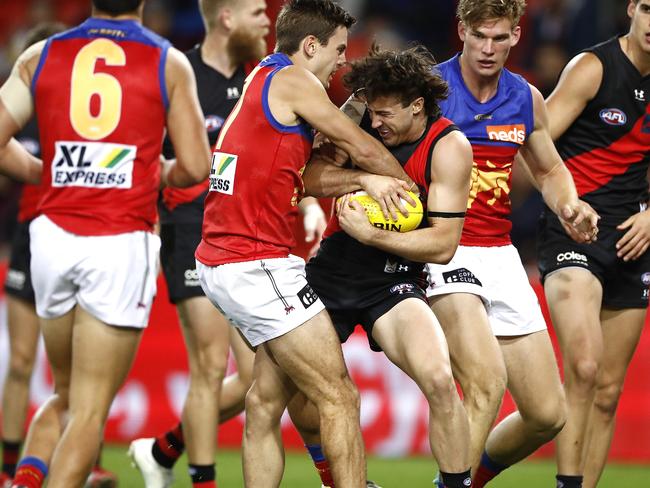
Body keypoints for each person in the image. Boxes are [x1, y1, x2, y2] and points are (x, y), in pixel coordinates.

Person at [194, 0, 420, 486]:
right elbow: (358, 145)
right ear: (311, 46)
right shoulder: (298, 81)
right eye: (338, 49)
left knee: (262, 402)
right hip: (255, 261)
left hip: (223, 259)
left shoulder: (266, 77)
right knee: (340, 396)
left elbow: (311, 175)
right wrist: (404, 185)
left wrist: (362, 176)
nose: (343, 58)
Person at [0, 0, 211, 486]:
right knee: (90, 410)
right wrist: (153, 172)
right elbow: (197, 167)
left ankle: (26, 478)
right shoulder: (168, 61)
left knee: (64, 394)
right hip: (117, 239)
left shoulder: (41, 54)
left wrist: (41, 170)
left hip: (50, 238)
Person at [422, 1, 599, 486]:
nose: (488, 48)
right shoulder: (430, 90)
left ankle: (457, 481)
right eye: (479, 35)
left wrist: (568, 204)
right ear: (461, 30)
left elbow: (548, 168)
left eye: (500, 38)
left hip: (500, 255)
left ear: (517, 36)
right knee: (485, 381)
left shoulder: (525, 97)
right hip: (444, 248)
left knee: (546, 413)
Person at [288, 44, 475, 488]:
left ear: (417, 107)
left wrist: (372, 235)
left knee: (439, 379)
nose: (375, 123)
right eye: (372, 111)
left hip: (393, 278)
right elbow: (307, 178)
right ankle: (340, 481)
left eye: (386, 114)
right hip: (332, 271)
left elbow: (444, 245)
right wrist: (365, 177)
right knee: (289, 395)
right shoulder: (356, 122)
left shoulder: (449, 147)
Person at [127, 2, 270, 487]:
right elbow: (147, 153)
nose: (266, 20)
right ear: (226, 17)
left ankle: (162, 450)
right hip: (187, 227)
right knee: (210, 363)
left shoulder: (256, 82)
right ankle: (201, 479)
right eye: (256, 11)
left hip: (241, 236)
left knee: (257, 377)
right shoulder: (178, 73)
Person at [0, 22, 119, 488]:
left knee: (83, 369)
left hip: (73, 237)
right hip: (32, 241)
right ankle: (11, 467)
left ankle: (86, 463)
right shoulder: (19, 116)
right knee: (23, 362)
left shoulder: (85, 113)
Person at [537, 1, 650, 486]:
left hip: (634, 241)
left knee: (608, 391)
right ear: (632, 9)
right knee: (583, 366)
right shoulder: (592, 68)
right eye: (649, 7)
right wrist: (566, 204)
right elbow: (534, 141)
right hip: (576, 235)